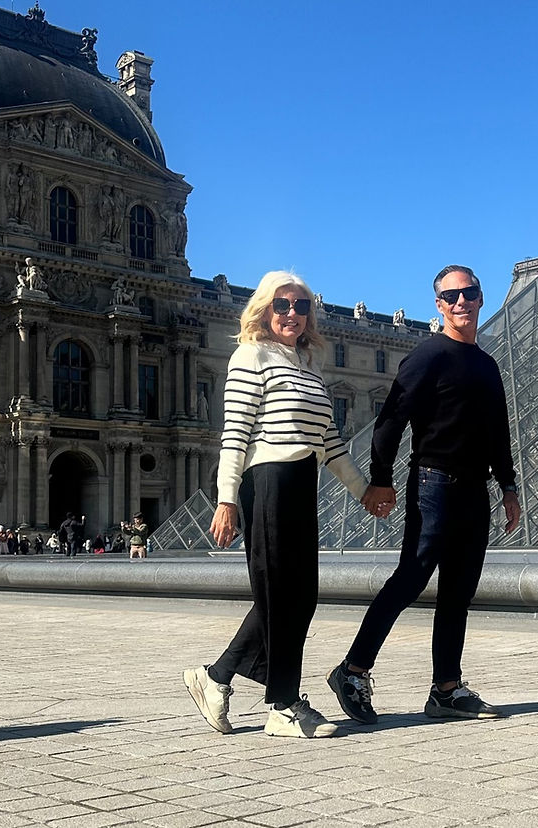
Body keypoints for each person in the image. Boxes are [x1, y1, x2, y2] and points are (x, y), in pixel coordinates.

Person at [328, 265, 520, 725]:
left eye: (469, 293)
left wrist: (508, 486)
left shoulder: (488, 365)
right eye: (451, 296)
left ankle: (446, 690)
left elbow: (498, 433)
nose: (461, 302)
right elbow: (389, 421)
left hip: (475, 489)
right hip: (433, 483)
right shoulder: (427, 356)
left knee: (459, 591)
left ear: (480, 298)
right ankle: (352, 670)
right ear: (439, 305)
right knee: (410, 578)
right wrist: (380, 479)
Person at [183, 270, 369, 740]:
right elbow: (235, 433)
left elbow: (329, 441)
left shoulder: (308, 363)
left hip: (302, 480)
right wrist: (226, 500)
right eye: (282, 305)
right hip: (265, 479)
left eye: (301, 306)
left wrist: (363, 490)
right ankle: (283, 705)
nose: (291, 314)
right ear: (264, 310)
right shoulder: (251, 355)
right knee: (282, 594)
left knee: (297, 596)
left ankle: (216, 676)